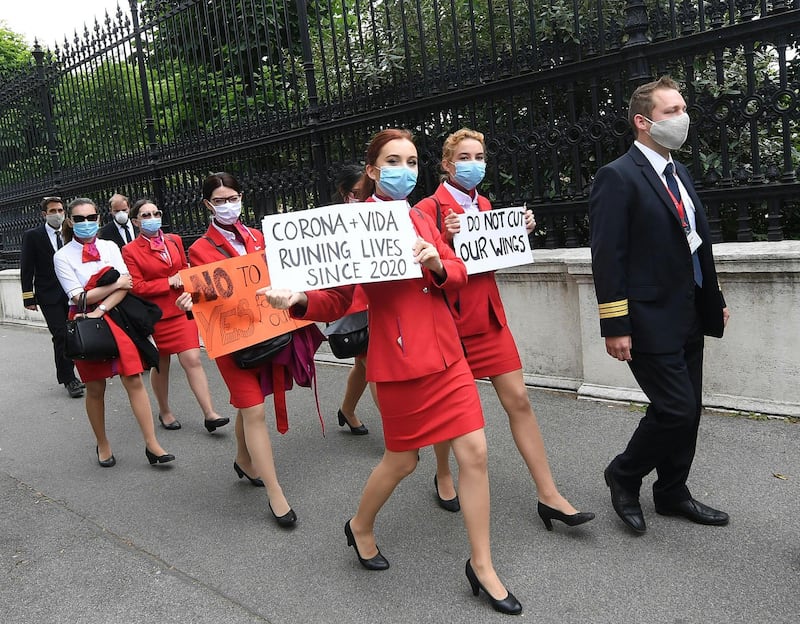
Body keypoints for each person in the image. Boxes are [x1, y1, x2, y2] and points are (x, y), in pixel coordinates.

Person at [262, 129, 522, 615]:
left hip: (448, 355)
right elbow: (337, 298)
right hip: (399, 362)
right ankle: (360, 526)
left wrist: (437, 263)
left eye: (413, 161)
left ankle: (482, 565)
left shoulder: (423, 216)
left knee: (476, 453)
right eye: (395, 161)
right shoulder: (353, 223)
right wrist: (296, 300)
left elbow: (459, 271)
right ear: (375, 171)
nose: (406, 169)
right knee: (403, 461)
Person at [415, 128, 594, 530]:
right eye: (465, 156)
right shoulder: (427, 209)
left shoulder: (485, 204)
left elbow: (490, 257)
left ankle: (549, 494)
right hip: (449, 324)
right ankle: (443, 473)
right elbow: (423, 271)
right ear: (447, 164)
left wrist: (518, 231)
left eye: (479, 156)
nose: (474, 163)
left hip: (489, 320)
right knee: (450, 411)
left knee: (520, 401)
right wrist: (443, 238)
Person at [588, 76, 730, 534]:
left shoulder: (679, 172)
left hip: (688, 311)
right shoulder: (618, 175)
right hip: (647, 318)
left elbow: (697, 245)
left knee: (692, 410)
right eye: (672, 111)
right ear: (643, 122)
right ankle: (624, 474)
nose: (682, 118)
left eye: (682, 109)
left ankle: (672, 492)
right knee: (675, 409)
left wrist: (714, 299)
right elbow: (608, 256)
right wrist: (615, 324)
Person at [175, 172, 298, 529]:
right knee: (255, 409)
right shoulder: (199, 248)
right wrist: (190, 300)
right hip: (231, 340)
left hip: (265, 330)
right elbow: (202, 291)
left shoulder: (259, 236)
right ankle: (275, 493)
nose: (229, 205)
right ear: (208, 205)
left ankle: (244, 460)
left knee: (251, 405)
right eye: (221, 200)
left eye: (234, 198)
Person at [53, 198, 174, 468]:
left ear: (98, 218)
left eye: (91, 217)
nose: (86, 224)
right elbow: (78, 298)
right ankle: (103, 443)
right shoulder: (62, 256)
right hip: (85, 323)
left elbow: (127, 285)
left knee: (133, 379)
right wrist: (113, 285)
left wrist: (102, 305)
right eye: (80, 219)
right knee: (95, 387)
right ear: (71, 222)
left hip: (116, 317)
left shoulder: (110, 247)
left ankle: (152, 444)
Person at [121, 199, 229, 433]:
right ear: (136, 221)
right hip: (155, 316)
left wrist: (183, 273)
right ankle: (165, 411)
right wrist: (167, 282)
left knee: (192, 359)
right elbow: (136, 286)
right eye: (145, 215)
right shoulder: (129, 250)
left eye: (155, 213)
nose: (152, 218)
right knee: (161, 365)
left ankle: (210, 413)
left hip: (181, 309)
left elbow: (184, 266)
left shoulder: (175, 240)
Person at [20, 196, 85, 399]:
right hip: (49, 295)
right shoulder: (33, 236)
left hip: (73, 292)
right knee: (60, 334)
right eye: (52, 211)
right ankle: (68, 379)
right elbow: (26, 268)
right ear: (44, 214)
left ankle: (86, 371)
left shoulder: (71, 232)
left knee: (77, 332)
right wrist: (28, 298)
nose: (57, 214)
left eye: (60, 210)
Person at [331, 164, 370, 435]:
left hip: (380, 300)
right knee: (375, 366)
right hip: (352, 302)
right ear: (345, 193)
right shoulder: (331, 224)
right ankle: (397, 436)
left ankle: (347, 409)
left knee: (363, 364)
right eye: (357, 193)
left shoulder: (383, 214)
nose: (363, 198)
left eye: (368, 192)